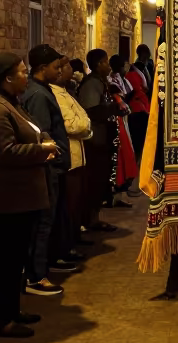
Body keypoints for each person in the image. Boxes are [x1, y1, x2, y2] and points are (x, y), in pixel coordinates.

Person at [0, 52, 59, 337]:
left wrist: (41, 140)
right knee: (5, 260)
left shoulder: (13, 103)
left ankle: (12, 310)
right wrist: (43, 150)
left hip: (20, 198)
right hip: (6, 199)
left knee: (15, 259)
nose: (27, 75)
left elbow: (27, 134)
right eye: (22, 72)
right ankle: (1, 320)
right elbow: (5, 152)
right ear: (7, 78)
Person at [21, 44, 73, 295]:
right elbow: (41, 134)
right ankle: (35, 277)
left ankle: (44, 266)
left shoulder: (43, 90)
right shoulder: (38, 95)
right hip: (46, 168)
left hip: (52, 167)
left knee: (49, 220)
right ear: (42, 68)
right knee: (42, 222)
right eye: (55, 67)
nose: (59, 71)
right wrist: (54, 154)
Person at [52, 57, 92, 262]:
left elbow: (82, 119)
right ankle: (64, 248)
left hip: (77, 153)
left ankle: (72, 239)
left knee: (75, 202)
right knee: (68, 205)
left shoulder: (64, 92)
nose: (68, 70)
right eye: (63, 67)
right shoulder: (55, 95)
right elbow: (73, 124)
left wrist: (84, 123)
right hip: (69, 156)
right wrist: (85, 124)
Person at [78, 48, 121, 230]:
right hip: (94, 139)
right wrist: (113, 107)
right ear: (97, 64)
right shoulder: (91, 84)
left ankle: (94, 217)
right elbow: (92, 110)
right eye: (105, 62)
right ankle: (90, 219)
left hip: (103, 137)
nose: (108, 65)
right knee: (94, 180)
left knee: (101, 179)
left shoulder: (101, 82)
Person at [108, 57, 138, 191]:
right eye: (124, 66)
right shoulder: (113, 81)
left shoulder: (122, 79)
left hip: (123, 119)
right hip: (117, 120)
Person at [125, 56, 151, 162]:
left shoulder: (131, 75)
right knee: (139, 136)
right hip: (137, 107)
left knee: (137, 136)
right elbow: (136, 89)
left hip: (137, 107)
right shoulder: (133, 75)